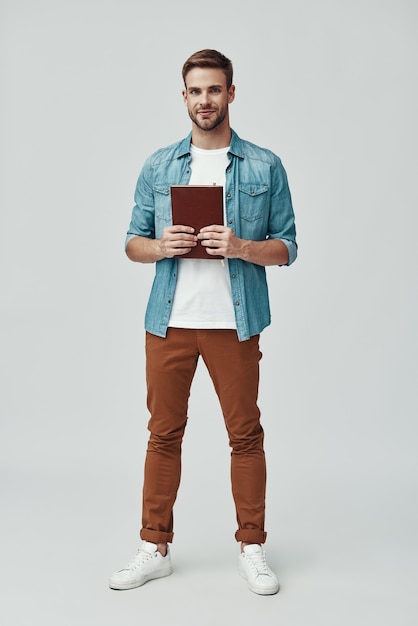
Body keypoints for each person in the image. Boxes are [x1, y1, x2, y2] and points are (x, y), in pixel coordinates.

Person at [109, 49, 297, 596]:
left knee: (245, 435)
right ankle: (154, 547)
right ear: (184, 96)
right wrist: (159, 246)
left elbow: (287, 248)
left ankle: (252, 548)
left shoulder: (264, 165)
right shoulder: (160, 166)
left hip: (234, 325)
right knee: (163, 434)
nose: (205, 100)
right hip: (168, 321)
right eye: (196, 90)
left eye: (215, 90)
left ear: (231, 94)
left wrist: (240, 246)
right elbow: (130, 242)